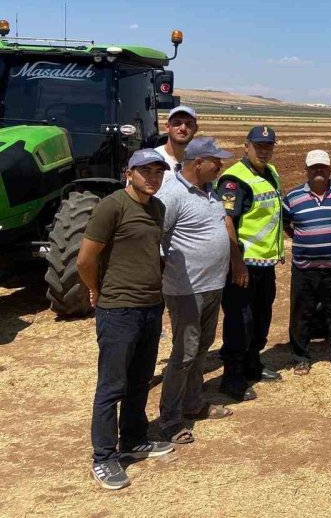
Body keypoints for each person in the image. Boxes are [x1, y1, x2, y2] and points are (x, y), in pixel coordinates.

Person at [77, 149, 174, 490]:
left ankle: (133, 439)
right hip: (118, 309)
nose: (153, 177)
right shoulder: (112, 206)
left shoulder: (157, 208)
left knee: (139, 379)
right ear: (128, 173)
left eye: (158, 171)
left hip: (151, 306)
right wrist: (96, 292)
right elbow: (85, 259)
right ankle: (104, 457)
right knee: (111, 386)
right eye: (145, 171)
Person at [156, 138, 238, 445]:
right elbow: (156, 237)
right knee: (185, 353)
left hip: (212, 285)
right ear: (198, 163)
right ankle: (170, 419)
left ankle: (193, 403)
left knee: (202, 348)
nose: (221, 165)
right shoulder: (172, 194)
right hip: (185, 289)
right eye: (216, 160)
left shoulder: (210, 191)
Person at [282, 149, 331, 376]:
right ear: (306, 170)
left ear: (330, 169)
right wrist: (306, 240)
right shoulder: (293, 197)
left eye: (323, 167)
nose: (319, 170)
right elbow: (286, 224)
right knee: (300, 314)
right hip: (304, 269)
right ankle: (300, 358)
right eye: (314, 167)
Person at [218, 125, 284, 401]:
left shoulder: (271, 173)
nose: (263, 150)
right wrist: (237, 262)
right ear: (246, 146)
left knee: (261, 317)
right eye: (258, 146)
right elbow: (226, 221)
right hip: (242, 265)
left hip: (265, 263)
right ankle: (232, 378)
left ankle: (252, 364)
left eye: (268, 146)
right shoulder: (234, 179)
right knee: (239, 321)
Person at [155, 105, 199, 180]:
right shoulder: (152, 159)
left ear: (196, 129)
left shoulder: (200, 163)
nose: (183, 128)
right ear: (167, 127)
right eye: (177, 123)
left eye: (188, 124)